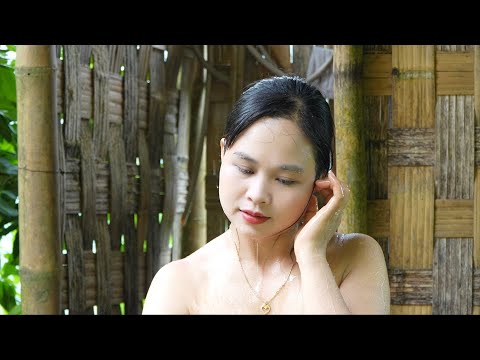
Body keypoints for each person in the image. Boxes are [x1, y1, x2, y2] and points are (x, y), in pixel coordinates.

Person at [143, 75, 390, 314]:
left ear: (320, 181)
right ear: (222, 153)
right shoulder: (178, 284)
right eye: (245, 169)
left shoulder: (355, 256)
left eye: (285, 180)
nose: (258, 195)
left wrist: (312, 255)